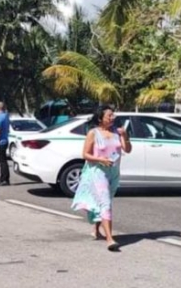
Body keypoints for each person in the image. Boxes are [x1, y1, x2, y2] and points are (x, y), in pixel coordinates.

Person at [71, 105, 131, 251]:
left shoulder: (117, 132)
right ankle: (110, 239)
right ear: (100, 118)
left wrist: (125, 136)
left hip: (114, 173)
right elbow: (85, 154)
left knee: (105, 202)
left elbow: (127, 149)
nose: (113, 117)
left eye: (113, 115)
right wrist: (100, 160)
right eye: (109, 115)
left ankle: (96, 229)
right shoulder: (94, 133)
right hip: (98, 172)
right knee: (105, 203)